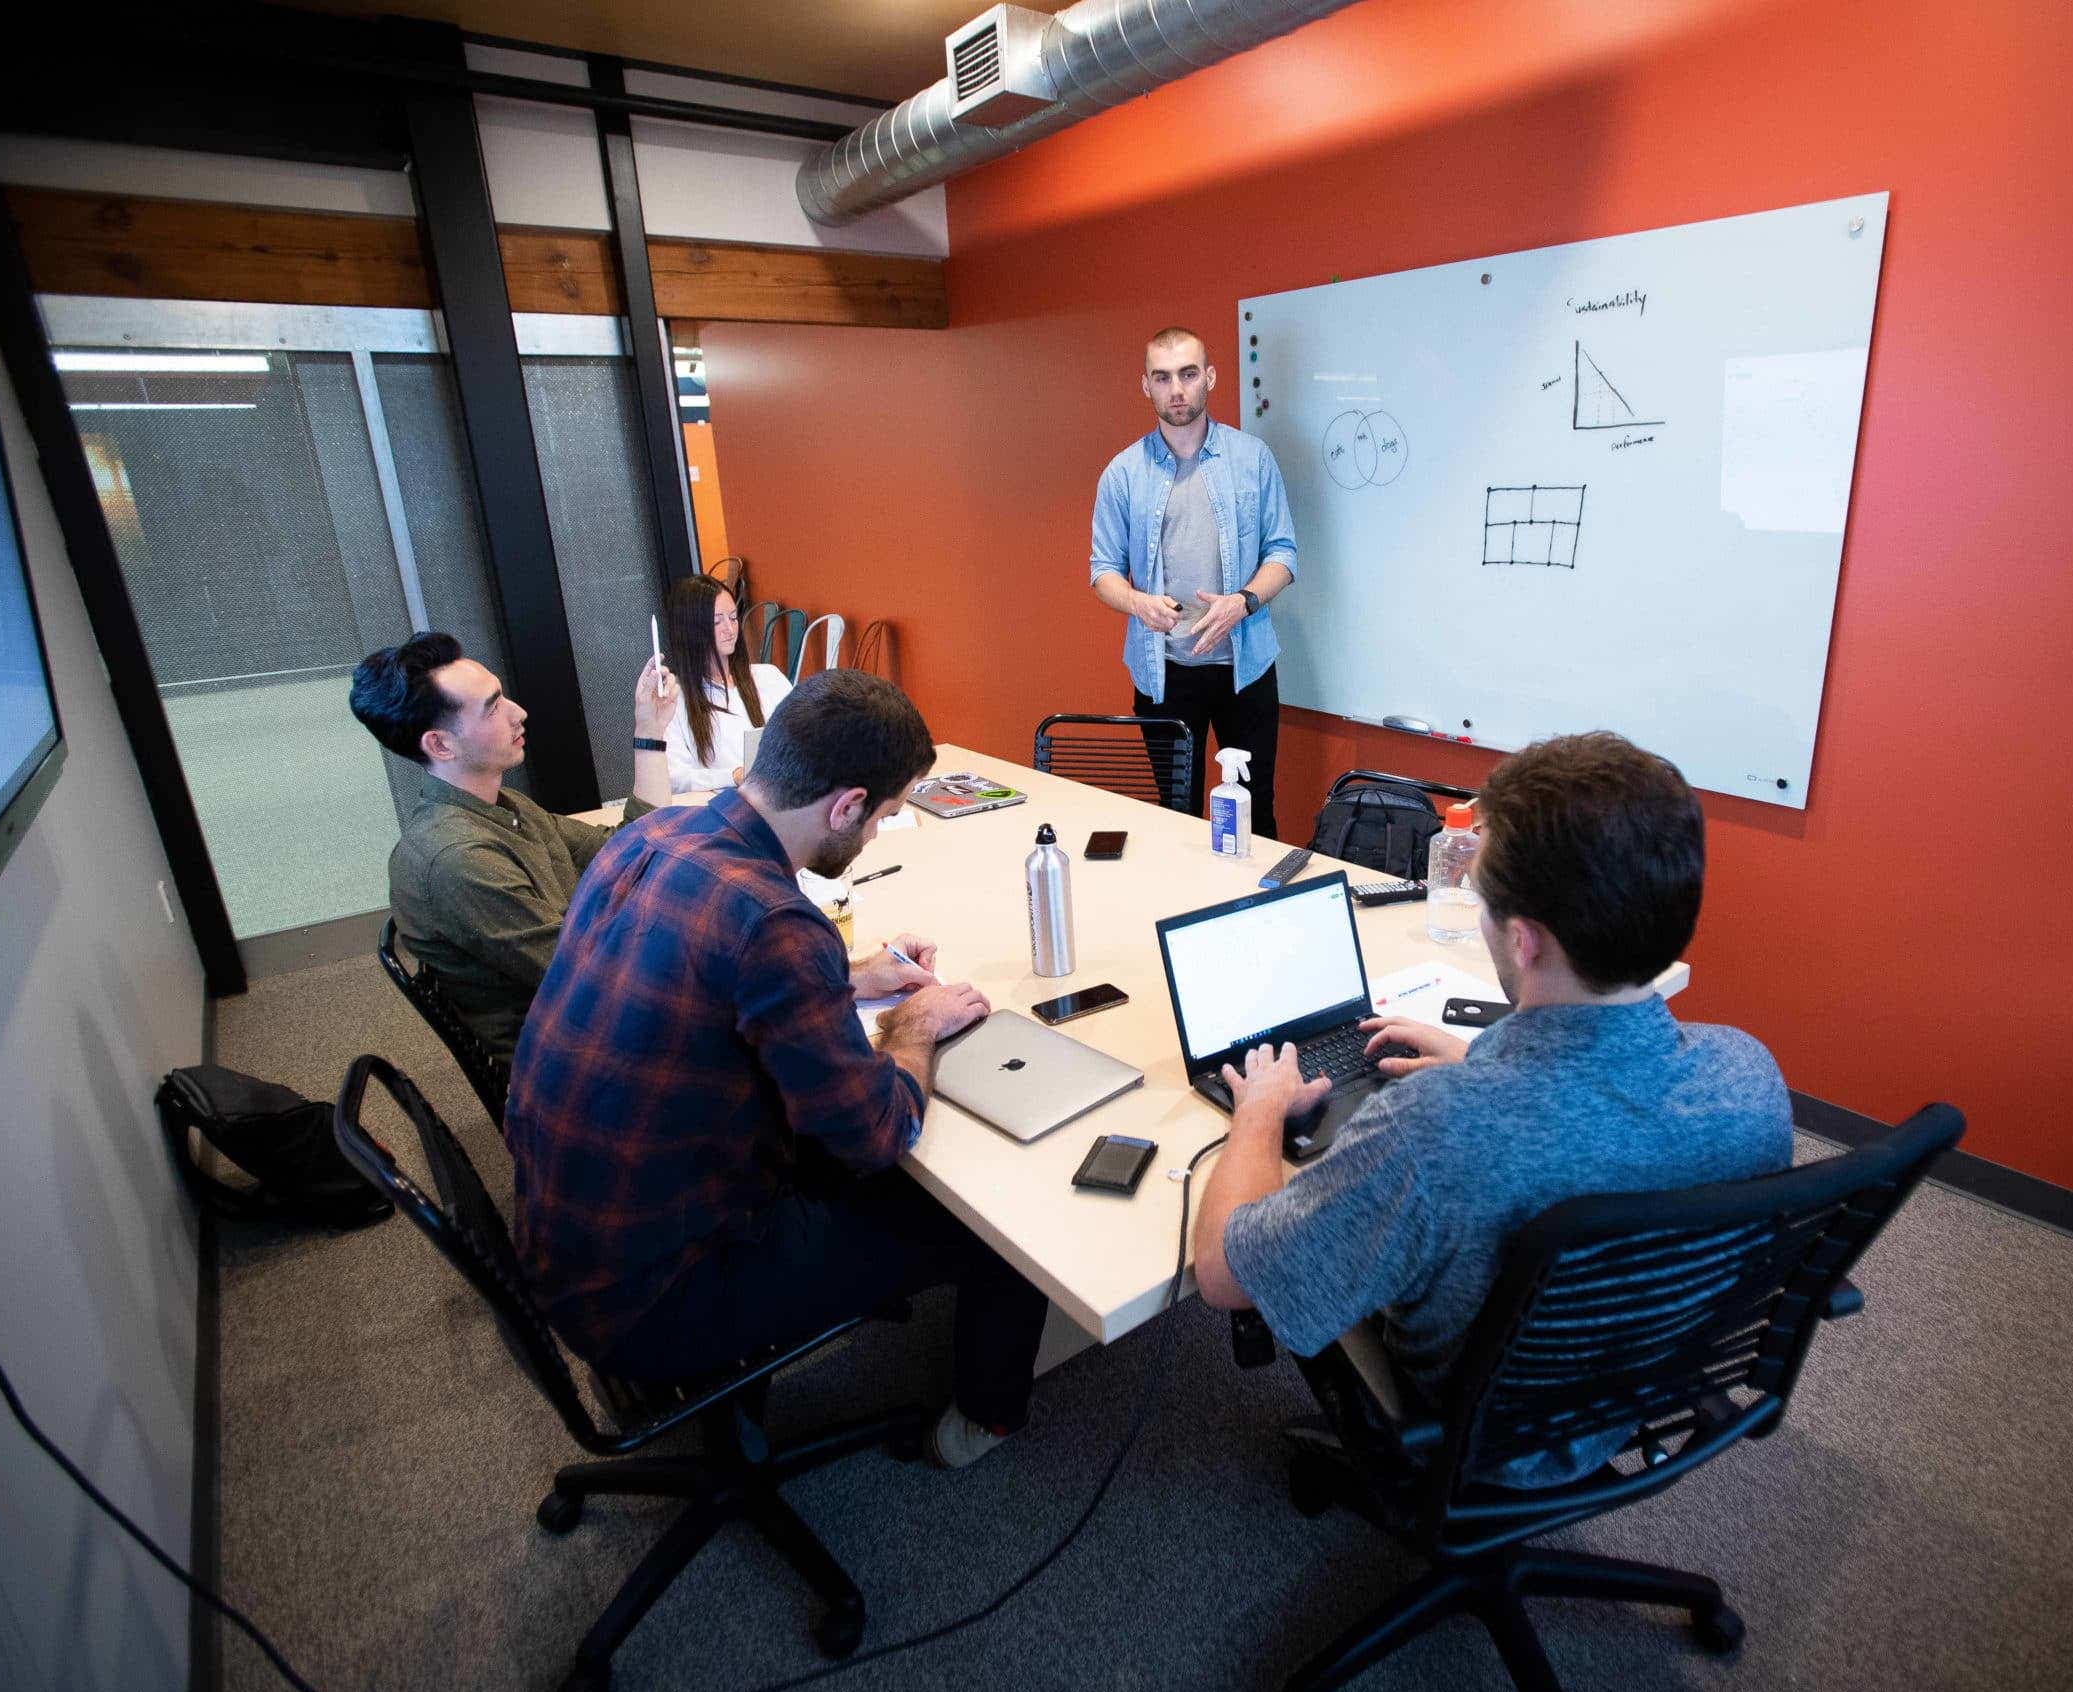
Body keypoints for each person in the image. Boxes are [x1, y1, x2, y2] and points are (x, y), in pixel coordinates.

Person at [1190, 732, 1793, 1486]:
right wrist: (1486, 1061)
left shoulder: (1430, 1129)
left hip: (1484, 1434)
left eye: (1483, 900)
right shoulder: (1751, 1076)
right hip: (1643, 1374)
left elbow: (1221, 1274)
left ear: (1522, 939)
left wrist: (1259, 1109)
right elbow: (1597, 1127)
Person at [506, 670, 1050, 1469]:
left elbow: (702, 976)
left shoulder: (652, 836)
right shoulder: (773, 924)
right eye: (882, 818)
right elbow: (877, 1132)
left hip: (565, 1238)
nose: (871, 839)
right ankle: (985, 1418)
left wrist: (846, 976)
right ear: (844, 806)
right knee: (1000, 1222)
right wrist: (913, 1027)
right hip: (655, 1293)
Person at [348, 632, 679, 1054]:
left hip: (594, 1000)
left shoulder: (498, 805)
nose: (518, 713)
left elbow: (623, 851)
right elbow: (594, 973)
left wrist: (650, 729)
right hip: (576, 1049)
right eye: (492, 710)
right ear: (440, 744)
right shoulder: (459, 859)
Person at [1088, 325, 1298, 838]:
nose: (1176, 389)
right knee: (1175, 815)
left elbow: (1284, 555)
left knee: (1255, 813)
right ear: (1146, 386)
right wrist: (1138, 602)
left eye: (1187, 374)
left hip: (1244, 670)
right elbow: (1102, 572)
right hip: (1164, 673)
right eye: (1162, 378)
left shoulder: (1252, 459)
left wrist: (1243, 602)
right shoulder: (1123, 473)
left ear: (1210, 377)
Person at [660, 573, 765, 791]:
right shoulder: (674, 699)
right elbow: (674, 779)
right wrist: (733, 776)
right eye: (717, 621)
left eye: (733, 617)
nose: (730, 629)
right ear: (691, 630)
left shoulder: (767, 678)